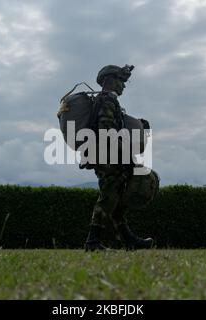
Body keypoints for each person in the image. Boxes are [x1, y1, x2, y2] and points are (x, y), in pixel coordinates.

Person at [84, 64, 155, 251]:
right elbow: (106, 130)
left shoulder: (109, 101)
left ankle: (128, 239)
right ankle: (92, 242)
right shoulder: (107, 100)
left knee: (115, 200)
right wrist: (125, 154)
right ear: (111, 80)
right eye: (121, 81)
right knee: (108, 198)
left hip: (108, 155)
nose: (123, 86)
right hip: (107, 157)